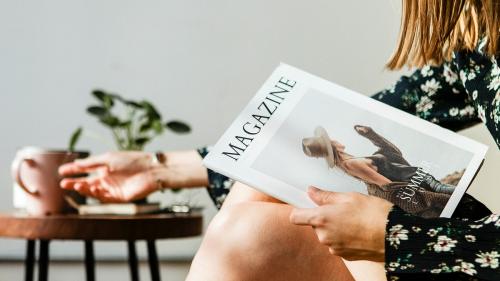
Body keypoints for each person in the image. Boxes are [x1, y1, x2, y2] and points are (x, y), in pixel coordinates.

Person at [60, 0, 500, 280]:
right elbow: (380, 116)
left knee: (249, 234)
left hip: (470, 250)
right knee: (248, 226)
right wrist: (159, 170)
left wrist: (388, 236)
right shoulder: (482, 43)